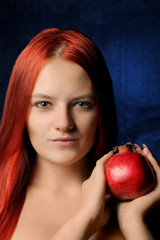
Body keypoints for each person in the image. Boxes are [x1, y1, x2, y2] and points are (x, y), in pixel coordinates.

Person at [0, 28, 159, 240]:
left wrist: (133, 222)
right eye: (44, 104)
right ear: (20, 111)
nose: (64, 123)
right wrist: (84, 221)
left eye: (82, 104)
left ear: (101, 110)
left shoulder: (145, 206)